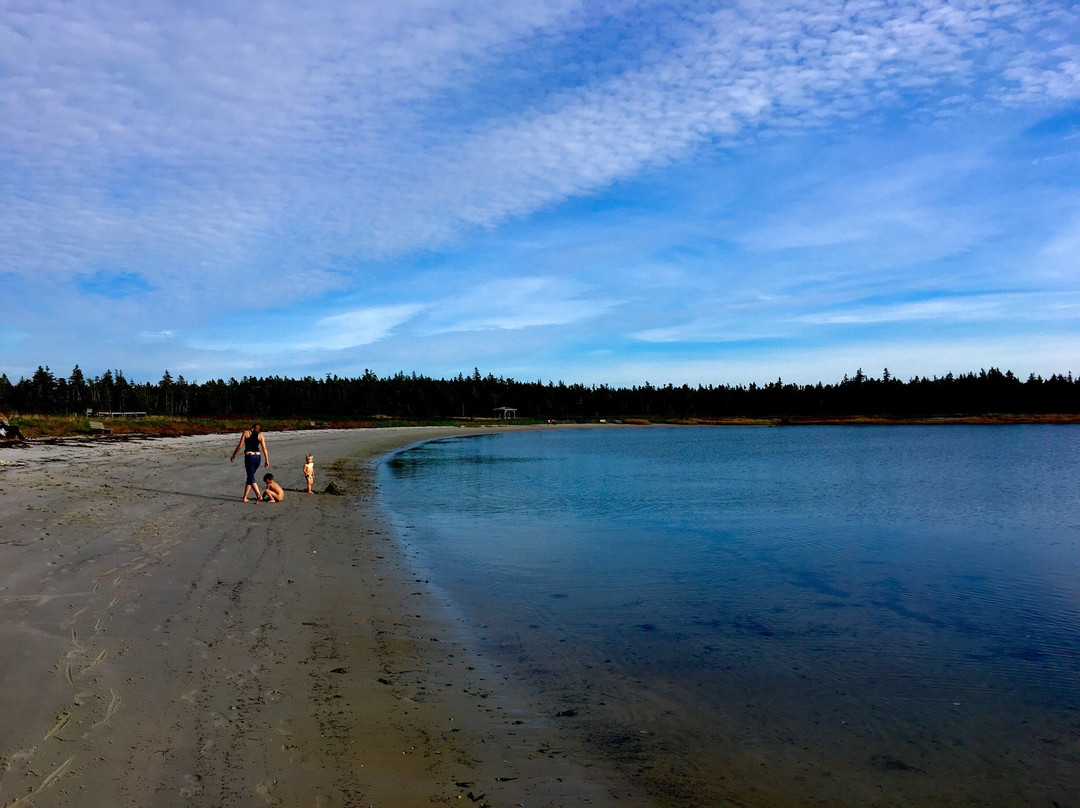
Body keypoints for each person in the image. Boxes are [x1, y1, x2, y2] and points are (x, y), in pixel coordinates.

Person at [230, 423, 270, 502]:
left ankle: (259, 495)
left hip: (249, 457)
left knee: (251, 477)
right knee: (250, 476)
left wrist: (234, 454)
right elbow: (264, 448)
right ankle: (245, 497)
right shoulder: (261, 436)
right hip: (258, 457)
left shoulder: (246, 433)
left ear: (252, 427)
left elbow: (240, 445)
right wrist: (266, 459)